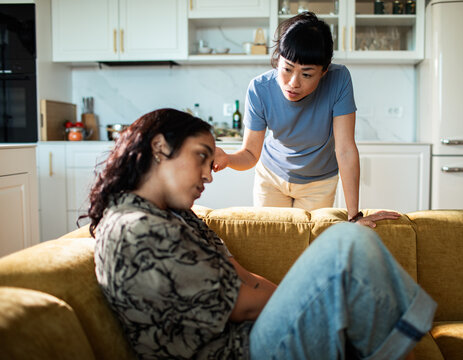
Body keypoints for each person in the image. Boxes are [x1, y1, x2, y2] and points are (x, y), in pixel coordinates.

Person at [88, 108, 436, 360]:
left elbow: (246, 280)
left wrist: (310, 304)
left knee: (352, 247)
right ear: (160, 147)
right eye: (201, 157)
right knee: (347, 244)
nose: (210, 175)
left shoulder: (177, 217)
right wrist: (318, 303)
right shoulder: (133, 230)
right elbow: (243, 308)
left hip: (252, 338)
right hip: (233, 352)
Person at [213, 12, 399, 227]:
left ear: (324, 71)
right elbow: (250, 153)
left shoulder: (339, 80)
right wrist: (227, 158)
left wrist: (354, 216)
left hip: (319, 182)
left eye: (307, 74)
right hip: (271, 177)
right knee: (269, 245)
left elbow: (345, 149)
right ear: (278, 59)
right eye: (287, 69)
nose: (293, 83)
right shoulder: (259, 88)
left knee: (310, 246)